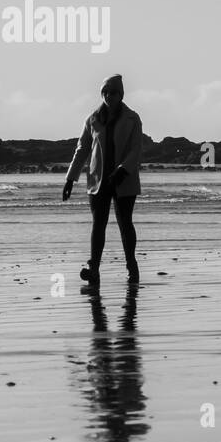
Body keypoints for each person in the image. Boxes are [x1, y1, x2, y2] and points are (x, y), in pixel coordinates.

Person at [63, 74, 142, 285]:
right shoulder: (93, 119)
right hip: (98, 180)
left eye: (113, 92)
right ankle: (94, 269)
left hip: (124, 180)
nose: (109, 96)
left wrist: (122, 170)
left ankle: (131, 266)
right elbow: (82, 149)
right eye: (105, 92)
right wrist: (70, 178)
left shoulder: (133, 118)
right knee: (98, 224)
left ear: (121, 94)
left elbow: (136, 149)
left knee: (125, 223)